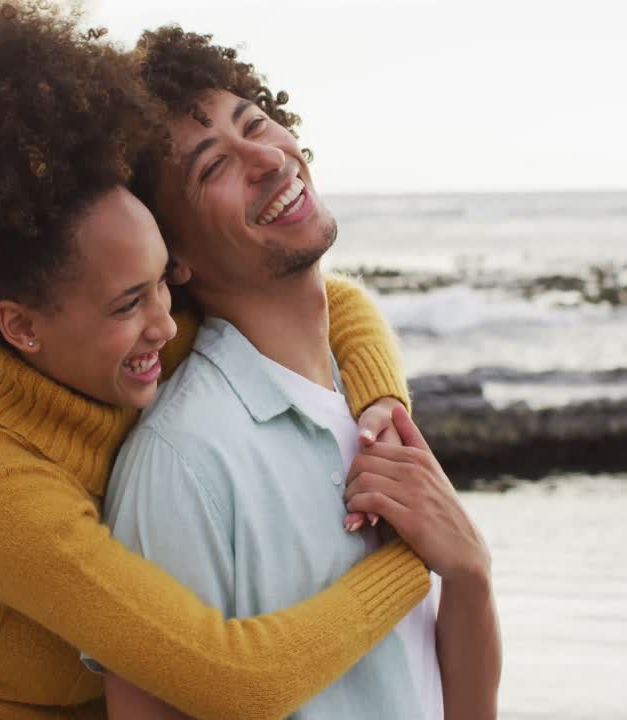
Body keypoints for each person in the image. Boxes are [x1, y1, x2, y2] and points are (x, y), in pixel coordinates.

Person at [0, 2, 441, 718]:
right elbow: (237, 679)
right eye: (130, 303)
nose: (165, 319)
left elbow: (333, 303)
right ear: (22, 327)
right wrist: (420, 556)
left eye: (164, 280)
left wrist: (383, 403)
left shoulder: (135, 338)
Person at [98, 26, 503, 719]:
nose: (264, 157)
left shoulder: (364, 403)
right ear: (173, 254)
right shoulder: (183, 466)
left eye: (255, 123)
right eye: (212, 167)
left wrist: (469, 573)